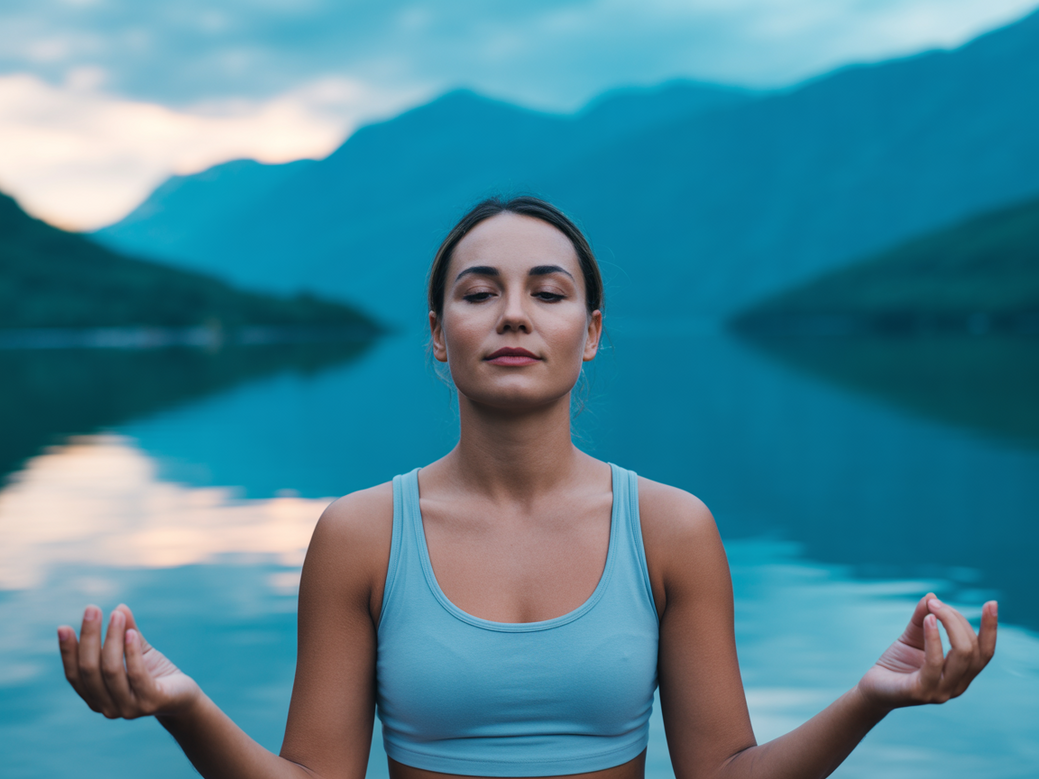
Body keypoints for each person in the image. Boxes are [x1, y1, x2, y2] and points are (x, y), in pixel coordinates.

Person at [57, 196, 998, 779]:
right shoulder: (359, 533)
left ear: (589, 331)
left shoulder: (670, 528)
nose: (513, 312)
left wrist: (873, 697)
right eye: (478, 291)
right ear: (437, 333)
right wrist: (183, 707)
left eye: (548, 291)